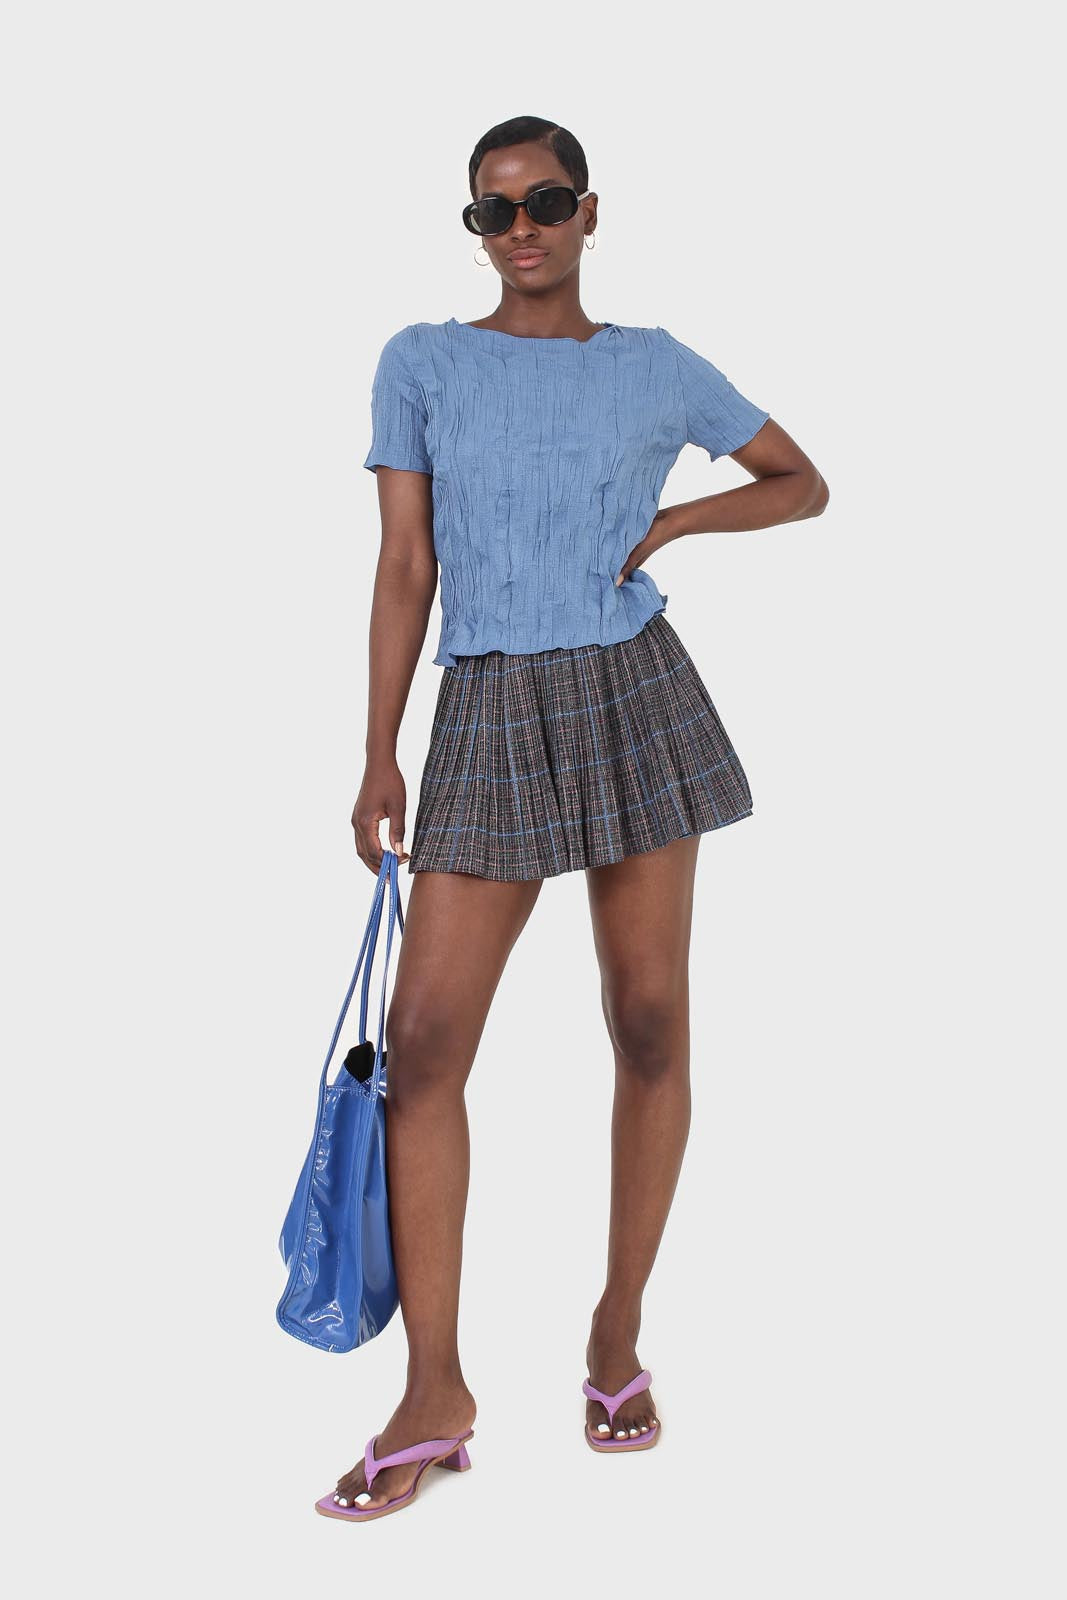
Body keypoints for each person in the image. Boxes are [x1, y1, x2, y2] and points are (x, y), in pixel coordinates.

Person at [319, 114, 828, 1522]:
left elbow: (803, 481)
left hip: (633, 693)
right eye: (494, 211)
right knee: (425, 1050)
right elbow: (405, 563)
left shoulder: (654, 365)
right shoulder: (422, 361)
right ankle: (435, 1390)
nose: (523, 230)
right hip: (486, 705)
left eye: (545, 202)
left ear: (590, 210)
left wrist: (674, 527)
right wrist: (379, 752)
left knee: (649, 1020)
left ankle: (616, 1332)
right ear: (473, 228)